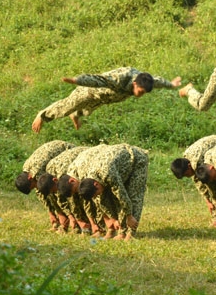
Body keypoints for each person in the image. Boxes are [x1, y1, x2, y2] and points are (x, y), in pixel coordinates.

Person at [32, 67, 182, 133]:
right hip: (89, 91)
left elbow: (158, 81)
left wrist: (172, 84)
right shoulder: (120, 78)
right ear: (135, 83)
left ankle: (76, 115)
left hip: (103, 99)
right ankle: (42, 115)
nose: (140, 95)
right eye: (140, 92)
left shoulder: (146, 80)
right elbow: (97, 79)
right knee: (66, 108)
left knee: (85, 112)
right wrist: (77, 80)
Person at [60, 143, 149, 240]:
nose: (98, 195)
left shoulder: (107, 173)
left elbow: (122, 196)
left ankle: (130, 234)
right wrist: (112, 219)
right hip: (119, 166)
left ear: (96, 184)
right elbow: (100, 201)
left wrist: (129, 216)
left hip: (136, 159)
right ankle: (122, 231)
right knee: (104, 198)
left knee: (133, 195)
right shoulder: (91, 177)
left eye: (97, 193)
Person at [15, 140, 77, 231]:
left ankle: (76, 221)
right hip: (57, 159)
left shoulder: (37, 170)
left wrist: (63, 214)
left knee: (66, 189)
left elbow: (55, 190)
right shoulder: (28, 170)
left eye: (33, 186)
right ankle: (63, 220)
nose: (35, 187)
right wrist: (50, 212)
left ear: (29, 178)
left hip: (69, 153)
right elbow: (41, 193)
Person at [170, 135, 216, 226]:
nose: (188, 176)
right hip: (210, 149)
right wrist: (208, 201)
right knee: (212, 198)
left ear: (189, 166)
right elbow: (200, 186)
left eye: (186, 174)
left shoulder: (198, 163)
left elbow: (212, 187)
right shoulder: (188, 162)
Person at [38, 146, 92, 234]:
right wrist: (70, 216)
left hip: (88, 156)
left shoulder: (63, 175)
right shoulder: (51, 173)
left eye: (55, 190)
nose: (57, 192)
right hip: (78, 158)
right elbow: (60, 198)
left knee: (83, 193)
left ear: (55, 180)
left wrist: (77, 219)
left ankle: (92, 225)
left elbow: (72, 199)